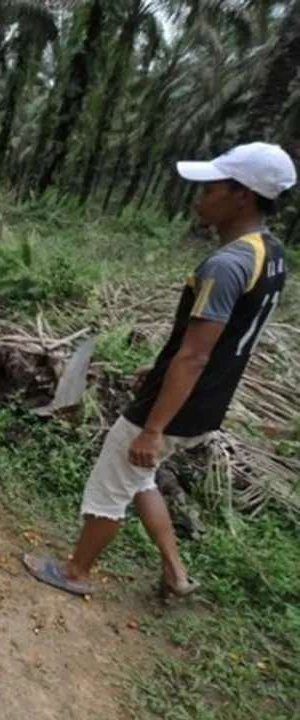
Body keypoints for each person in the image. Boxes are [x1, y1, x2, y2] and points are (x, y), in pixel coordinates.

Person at [23, 142, 294, 598]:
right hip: (208, 403)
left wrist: (153, 428)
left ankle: (75, 572)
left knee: (110, 485)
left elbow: (195, 357)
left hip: (176, 405)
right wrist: (163, 365)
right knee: (140, 476)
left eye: (210, 188)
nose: (200, 197)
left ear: (242, 195)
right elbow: (221, 340)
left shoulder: (227, 265)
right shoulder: (271, 253)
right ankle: (176, 573)